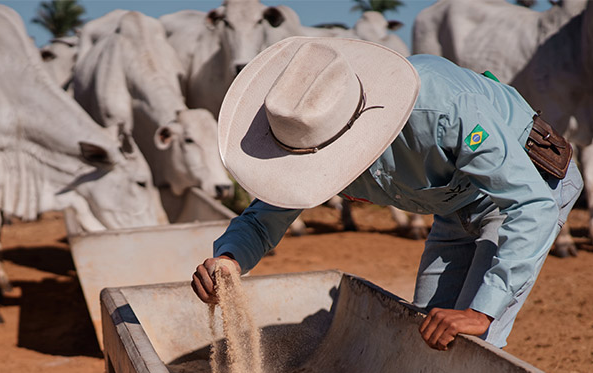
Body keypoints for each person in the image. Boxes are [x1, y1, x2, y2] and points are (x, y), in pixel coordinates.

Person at [190, 36, 581, 351]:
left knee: (471, 342)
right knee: (424, 333)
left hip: (520, 190)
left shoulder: (442, 109)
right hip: (451, 202)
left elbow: (531, 204)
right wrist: (228, 260)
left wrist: (484, 311)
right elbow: (264, 216)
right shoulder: (309, 129)